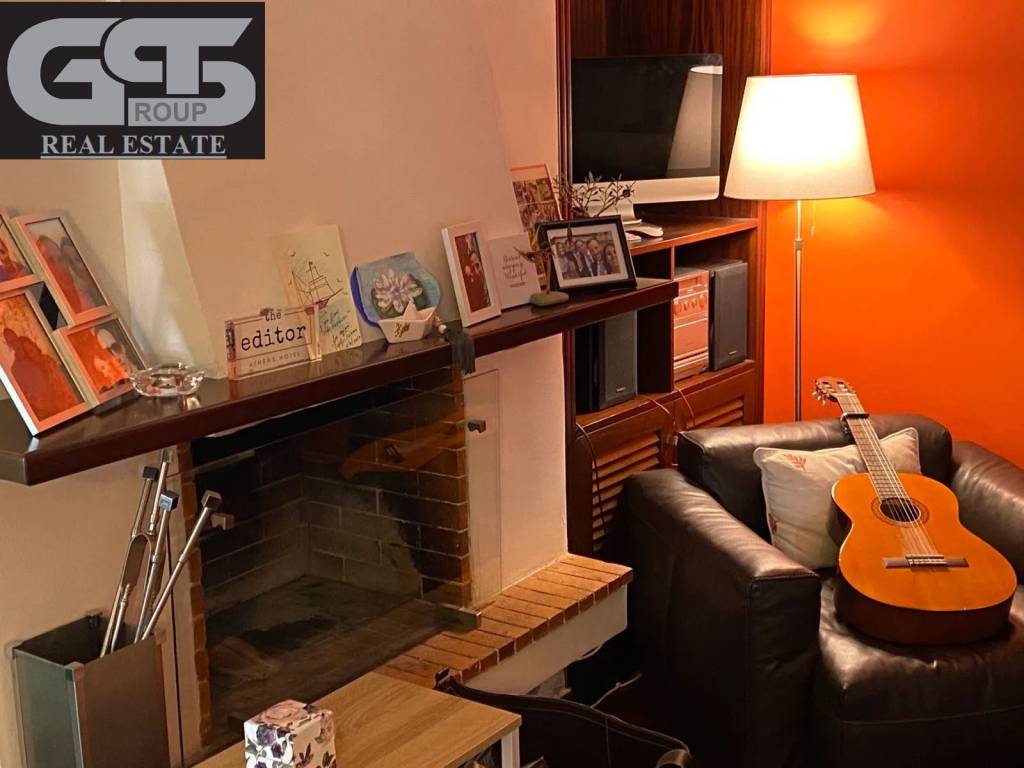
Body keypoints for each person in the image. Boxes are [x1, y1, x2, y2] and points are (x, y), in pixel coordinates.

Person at [2, 326, 79, 420]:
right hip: (45, 410)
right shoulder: (15, 369)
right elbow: (26, 395)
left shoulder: (42, 359)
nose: (15, 343)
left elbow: (61, 380)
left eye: (14, 339)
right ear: (8, 344)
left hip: (64, 400)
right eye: (11, 341)